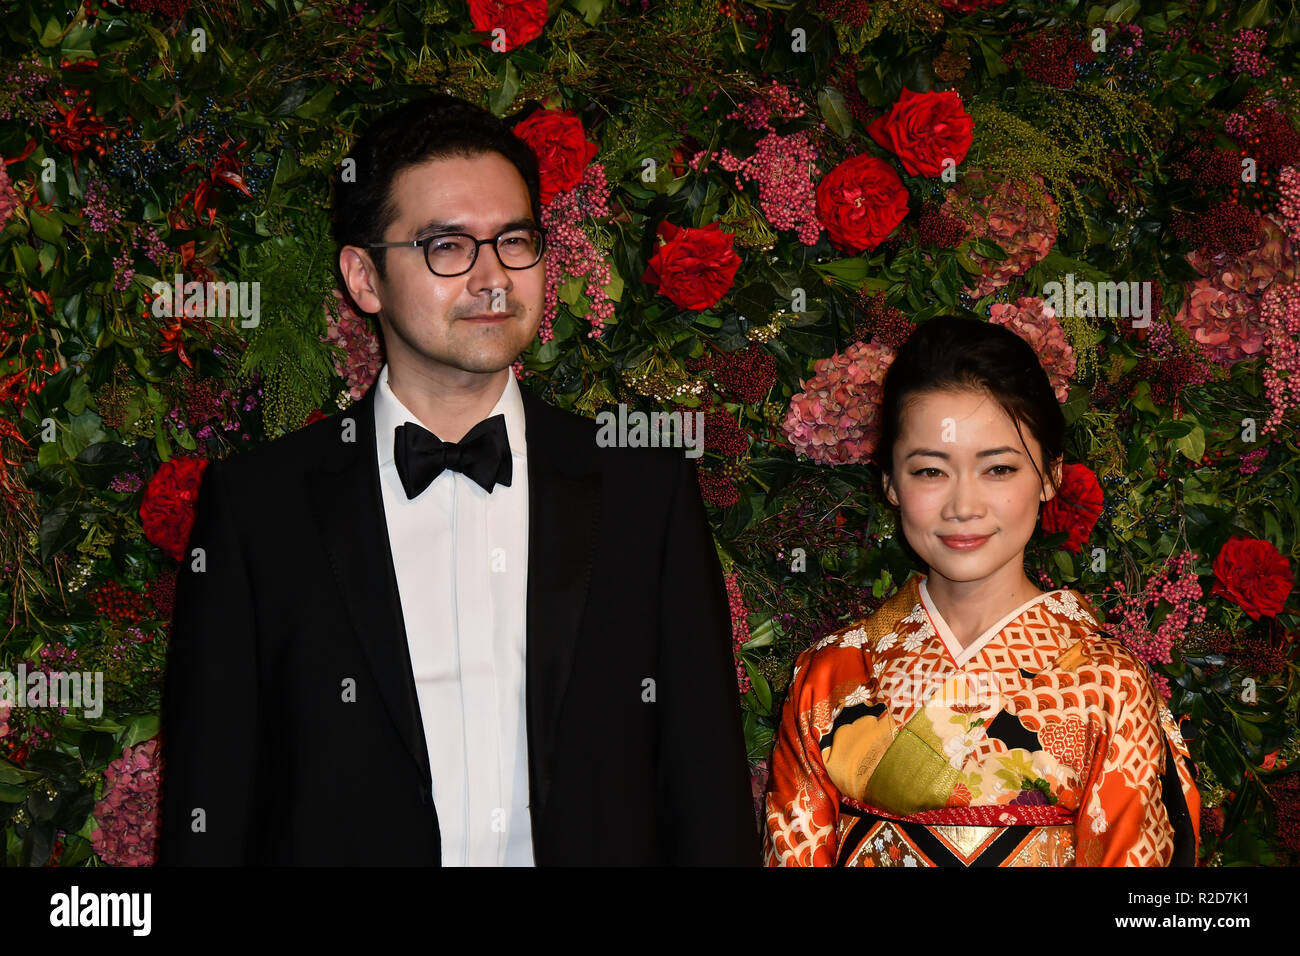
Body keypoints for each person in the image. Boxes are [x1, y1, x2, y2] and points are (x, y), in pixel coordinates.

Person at [158, 95, 760, 866]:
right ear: (364, 276)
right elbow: (212, 803)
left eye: (514, 241)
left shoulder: (645, 491)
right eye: (446, 247)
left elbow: (703, 785)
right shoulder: (257, 508)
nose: (491, 279)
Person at [763, 316, 1200, 867]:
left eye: (997, 469)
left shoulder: (1106, 684)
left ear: (1048, 476)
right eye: (929, 472)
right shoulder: (829, 674)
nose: (963, 506)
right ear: (890, 483)